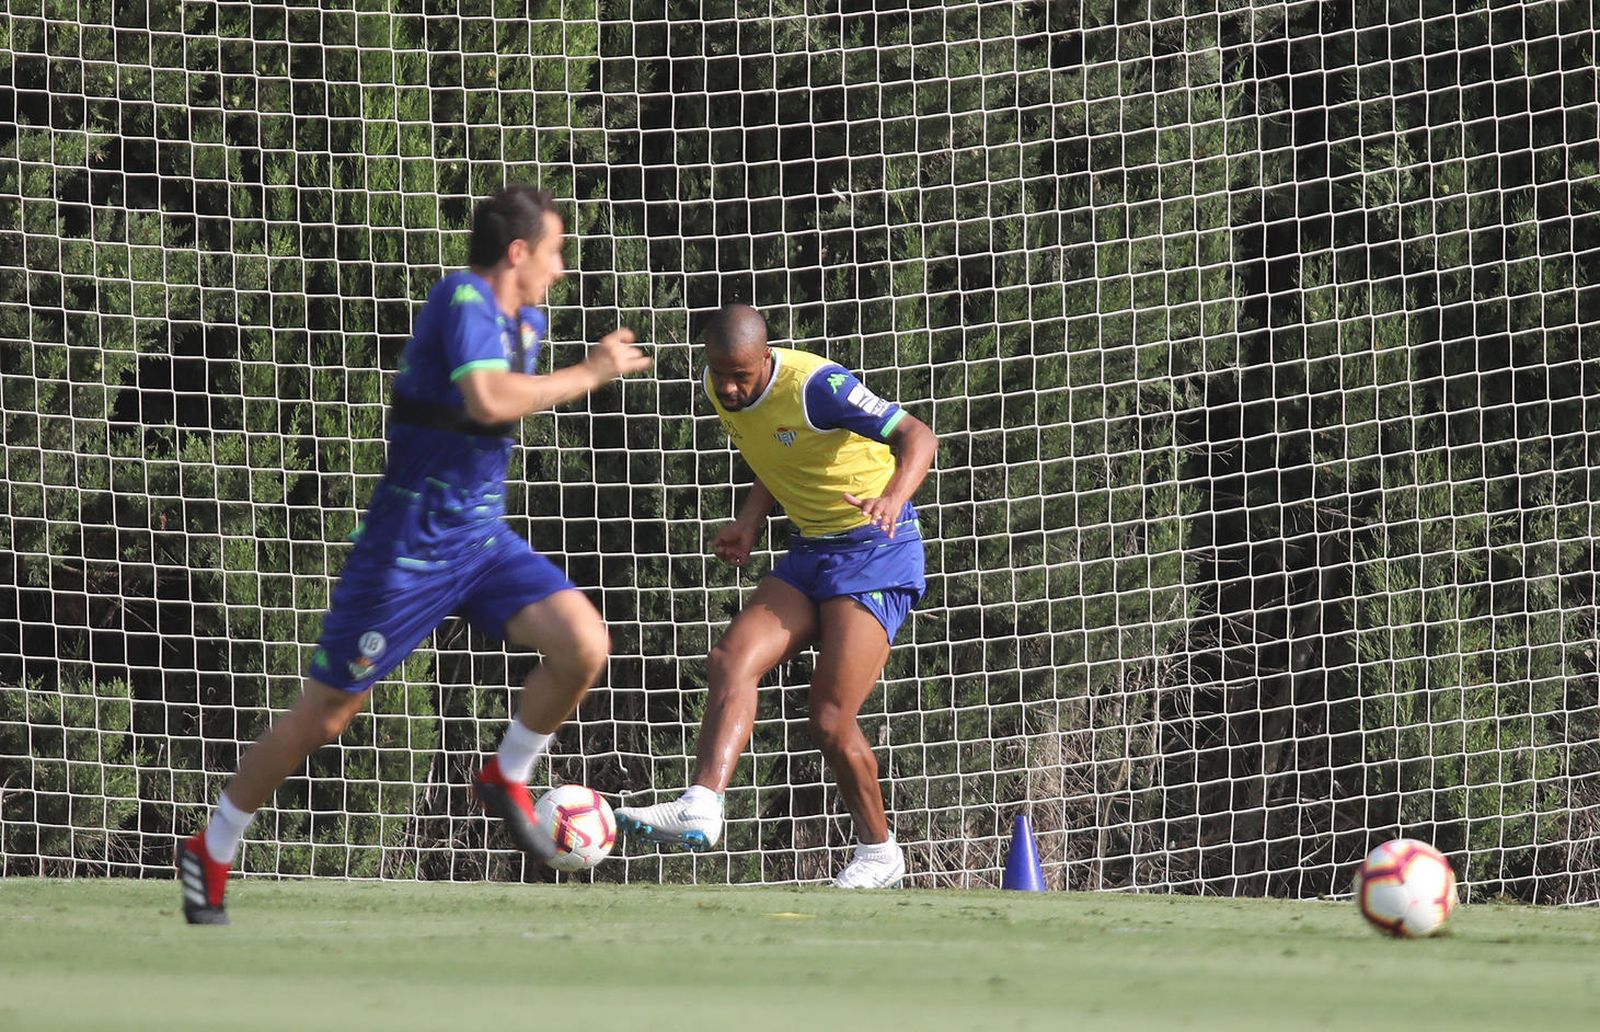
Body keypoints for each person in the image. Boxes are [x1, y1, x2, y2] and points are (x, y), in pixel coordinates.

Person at [177, 184, 651, 924]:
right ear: (518, 252)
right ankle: (212, 843)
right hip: (405, 555)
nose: (561, 268)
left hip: (484, 542)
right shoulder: (462, 300)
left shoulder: (530, 319)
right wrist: (591, 374)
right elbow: (489, 401)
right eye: (555, 251)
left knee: (585, 645)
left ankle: (506, 774)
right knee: (325, 717)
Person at [616, 304, 937, 888]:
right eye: (720, 373)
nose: (731, 387)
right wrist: (749, 521)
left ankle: (879, 852)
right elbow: (775, 453)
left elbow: (920, 435)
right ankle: (703, 804)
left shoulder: (820, 386)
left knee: (829, 719)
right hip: (811, 550)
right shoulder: (721, 388)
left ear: (766, 356)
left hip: (875, 551)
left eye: (742, 374)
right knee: (731, 658)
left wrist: (892, 497)